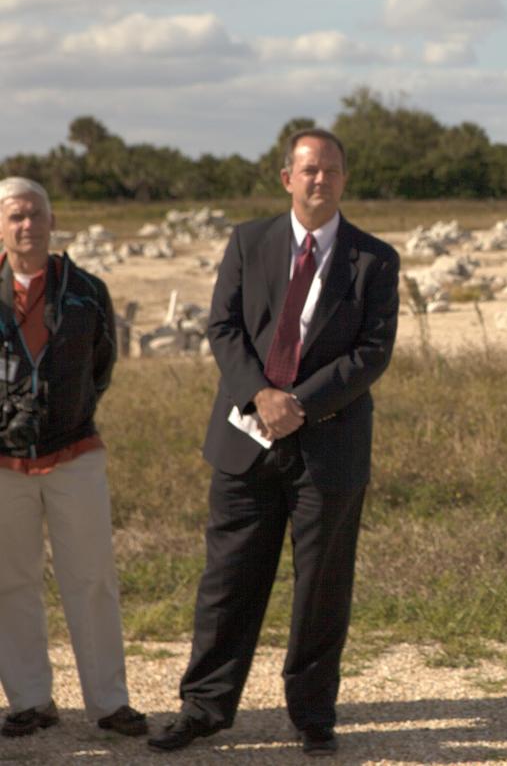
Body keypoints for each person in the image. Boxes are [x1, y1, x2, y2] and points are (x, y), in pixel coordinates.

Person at [148, 129, 399, 757]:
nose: (321, 180)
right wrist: (260, 395)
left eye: (333, 171)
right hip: (244, 437)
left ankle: (312, 714)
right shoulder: (248, 241)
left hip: (329, 446)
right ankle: (205, 707)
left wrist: (300, 405)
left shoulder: (375, 259)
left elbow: (372, 353)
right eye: (310, 170)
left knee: (321, 587)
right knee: (228, 579)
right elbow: (223, 326)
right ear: (285, 176)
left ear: (344, 179)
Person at [0, 177, 148, 739]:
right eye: (15, 215)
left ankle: (109, 703)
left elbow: (102, 365)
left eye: (36, 214)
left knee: (92, 579)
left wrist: (66, 408)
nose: (27, 225)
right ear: (0, 226)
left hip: (74, 452)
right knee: (10, 581)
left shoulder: (86, 289)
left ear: (53, 220)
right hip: (3, 463)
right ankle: (30, 700)